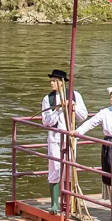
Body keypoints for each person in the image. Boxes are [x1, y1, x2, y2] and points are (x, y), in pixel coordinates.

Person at [40, 68, 85, 212]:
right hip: (55, 137)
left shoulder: (74, 95)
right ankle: (54, 204)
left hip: (70, 136)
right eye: (51, 81)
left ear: (62, 83)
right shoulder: (48, 99)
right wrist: (58, 109)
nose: (52, 83)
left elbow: (83, 116)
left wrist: (73, 107)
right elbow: (46, 121)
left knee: (70, 167)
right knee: (55, 168)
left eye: (54, 81)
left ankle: (69, 202)